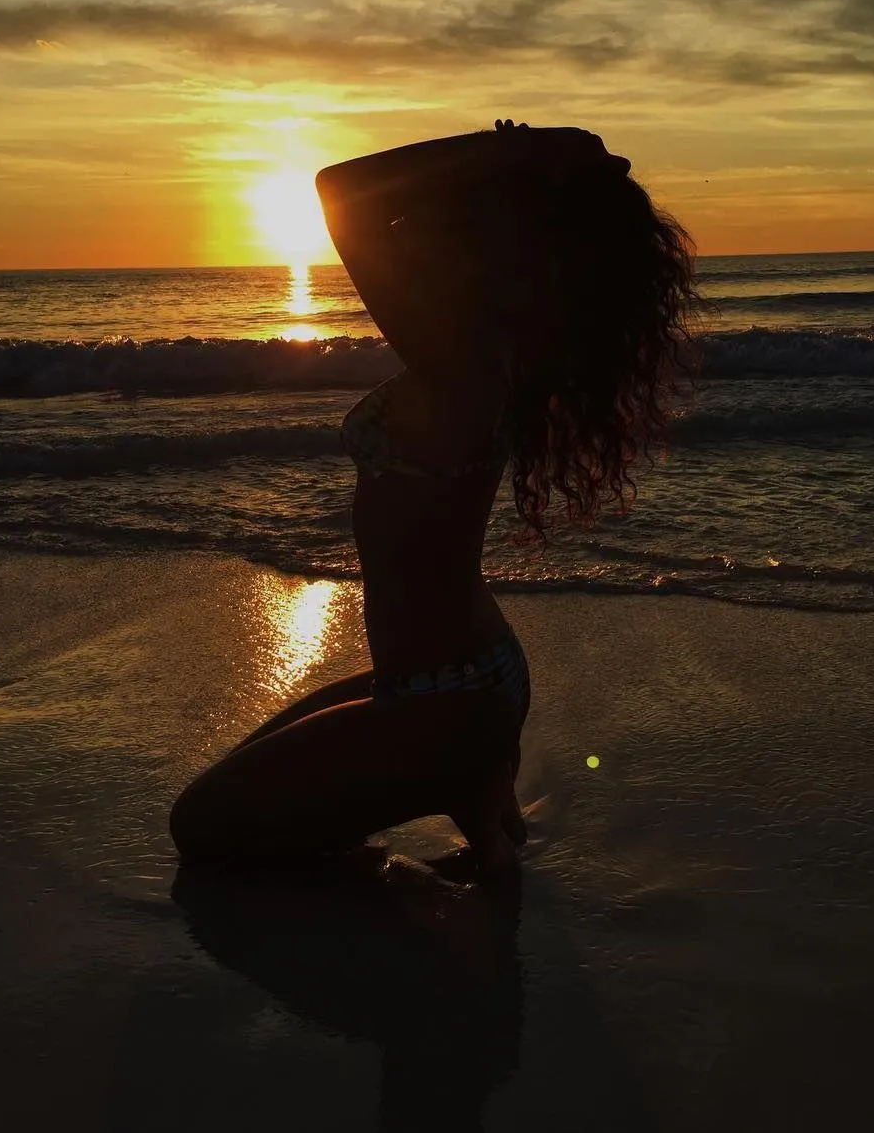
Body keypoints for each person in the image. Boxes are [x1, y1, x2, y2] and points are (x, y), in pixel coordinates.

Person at [169, 120, 699, 879]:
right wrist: (514, 161)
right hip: (461, 679)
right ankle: (471, 783)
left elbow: (341, 191)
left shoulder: (458, 361)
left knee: (199, 829)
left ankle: (456, 777)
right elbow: (383, 210)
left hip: (452, 699)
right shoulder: (490, 349)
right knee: (242, 776)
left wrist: (509, 148)